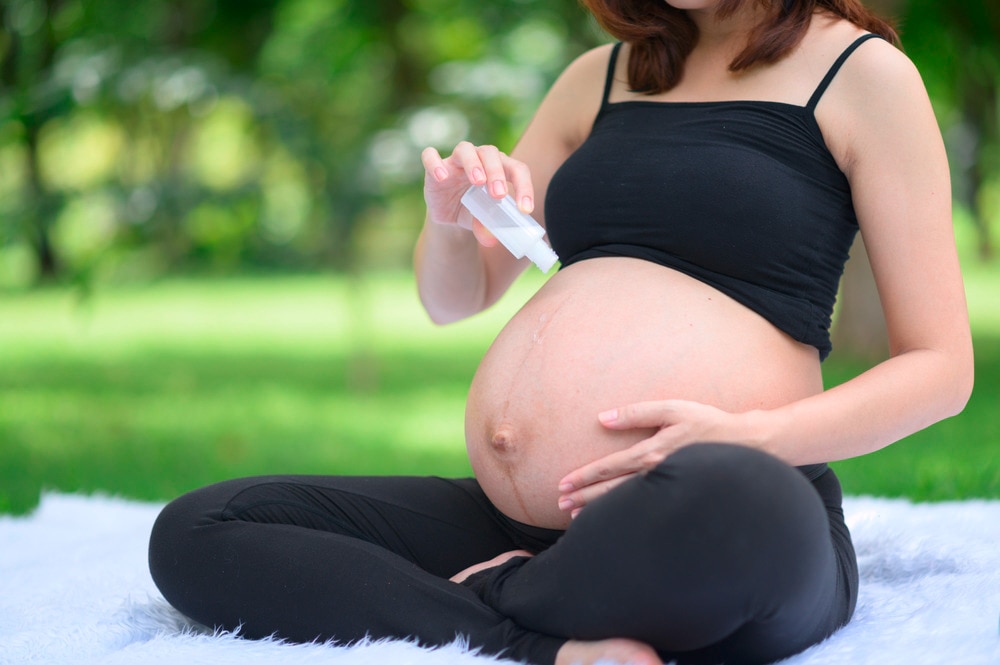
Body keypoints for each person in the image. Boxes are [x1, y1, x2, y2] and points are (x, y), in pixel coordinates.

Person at [148, 1, 974, 664]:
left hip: (725, 505)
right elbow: (458, 296)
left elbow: (942, 369)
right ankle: (529, 630)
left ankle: (495, 599)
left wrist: (746, 434)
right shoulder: (599, 78)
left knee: (732, 502)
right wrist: (448, 221)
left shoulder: (862, 75)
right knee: (200, 530)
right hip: (521, 523)